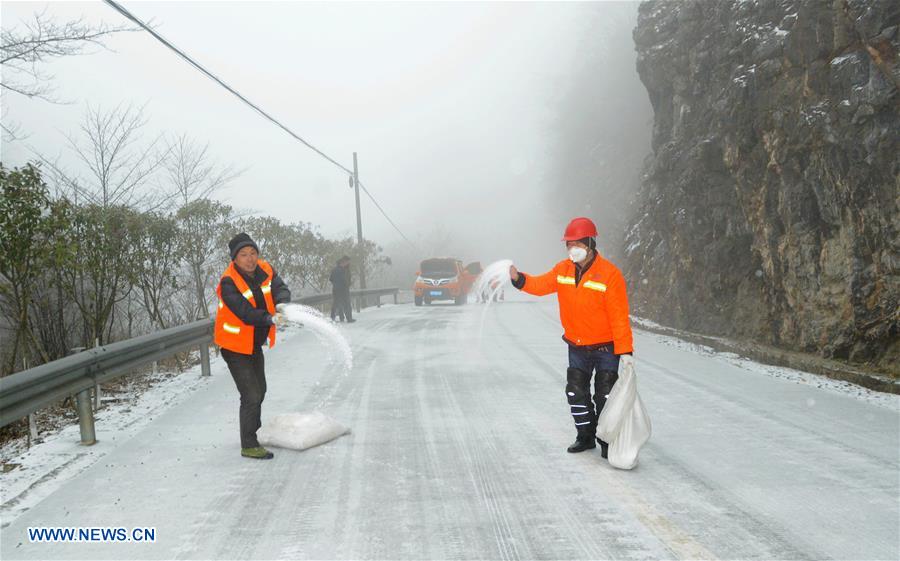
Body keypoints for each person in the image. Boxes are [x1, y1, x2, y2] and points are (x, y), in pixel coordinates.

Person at [509, 217, 634, 457]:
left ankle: (607, 441)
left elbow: (619, 316)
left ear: (590, 243)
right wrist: (519, 279)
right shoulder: (562, 269)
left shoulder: (609, 274)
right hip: (576, 346)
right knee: (576, 392)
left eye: (577, 244)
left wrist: (625, 351)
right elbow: (540, 285)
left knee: (606, 395)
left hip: (606, 348)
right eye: (569, 244)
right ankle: (585, 436)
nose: (572, 249)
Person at [214, 232, 291, 460]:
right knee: (251, 394)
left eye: (253, 253)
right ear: (234, 258)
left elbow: (280, 288)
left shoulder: (265, 269)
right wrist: (269, 318)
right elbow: (245, 312)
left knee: (260, 390)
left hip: (253, 343)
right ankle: (248, 444)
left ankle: (254, 433)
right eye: (244, 255)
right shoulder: (229, 282)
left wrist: (282, 304)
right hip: (234, 345)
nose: (250, 259)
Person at [329, 256, 355, 323]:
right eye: (347, 262)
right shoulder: (343, 270)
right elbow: (344, 280)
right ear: (344, 262)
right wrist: (346, 284)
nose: (348, 263)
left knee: (335, 304)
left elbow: (331, 279)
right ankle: (349, 318)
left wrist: (336, 284)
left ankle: (332, 318)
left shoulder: (334, 269)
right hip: (343, 289)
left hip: (336, 289)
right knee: (346, 304)